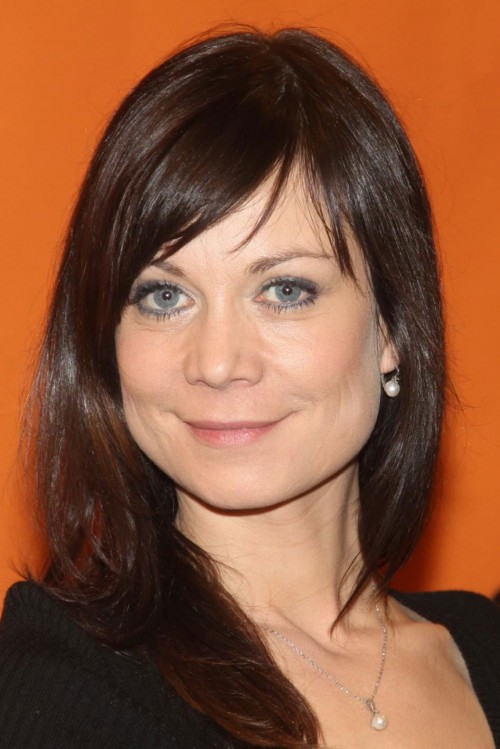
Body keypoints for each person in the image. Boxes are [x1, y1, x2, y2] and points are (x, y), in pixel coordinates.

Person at [0, 26, 498, 749]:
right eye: (165, 296)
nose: (217, 361)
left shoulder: (482, 646)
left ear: (392, 328)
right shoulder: (67, 686)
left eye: (284, 290)